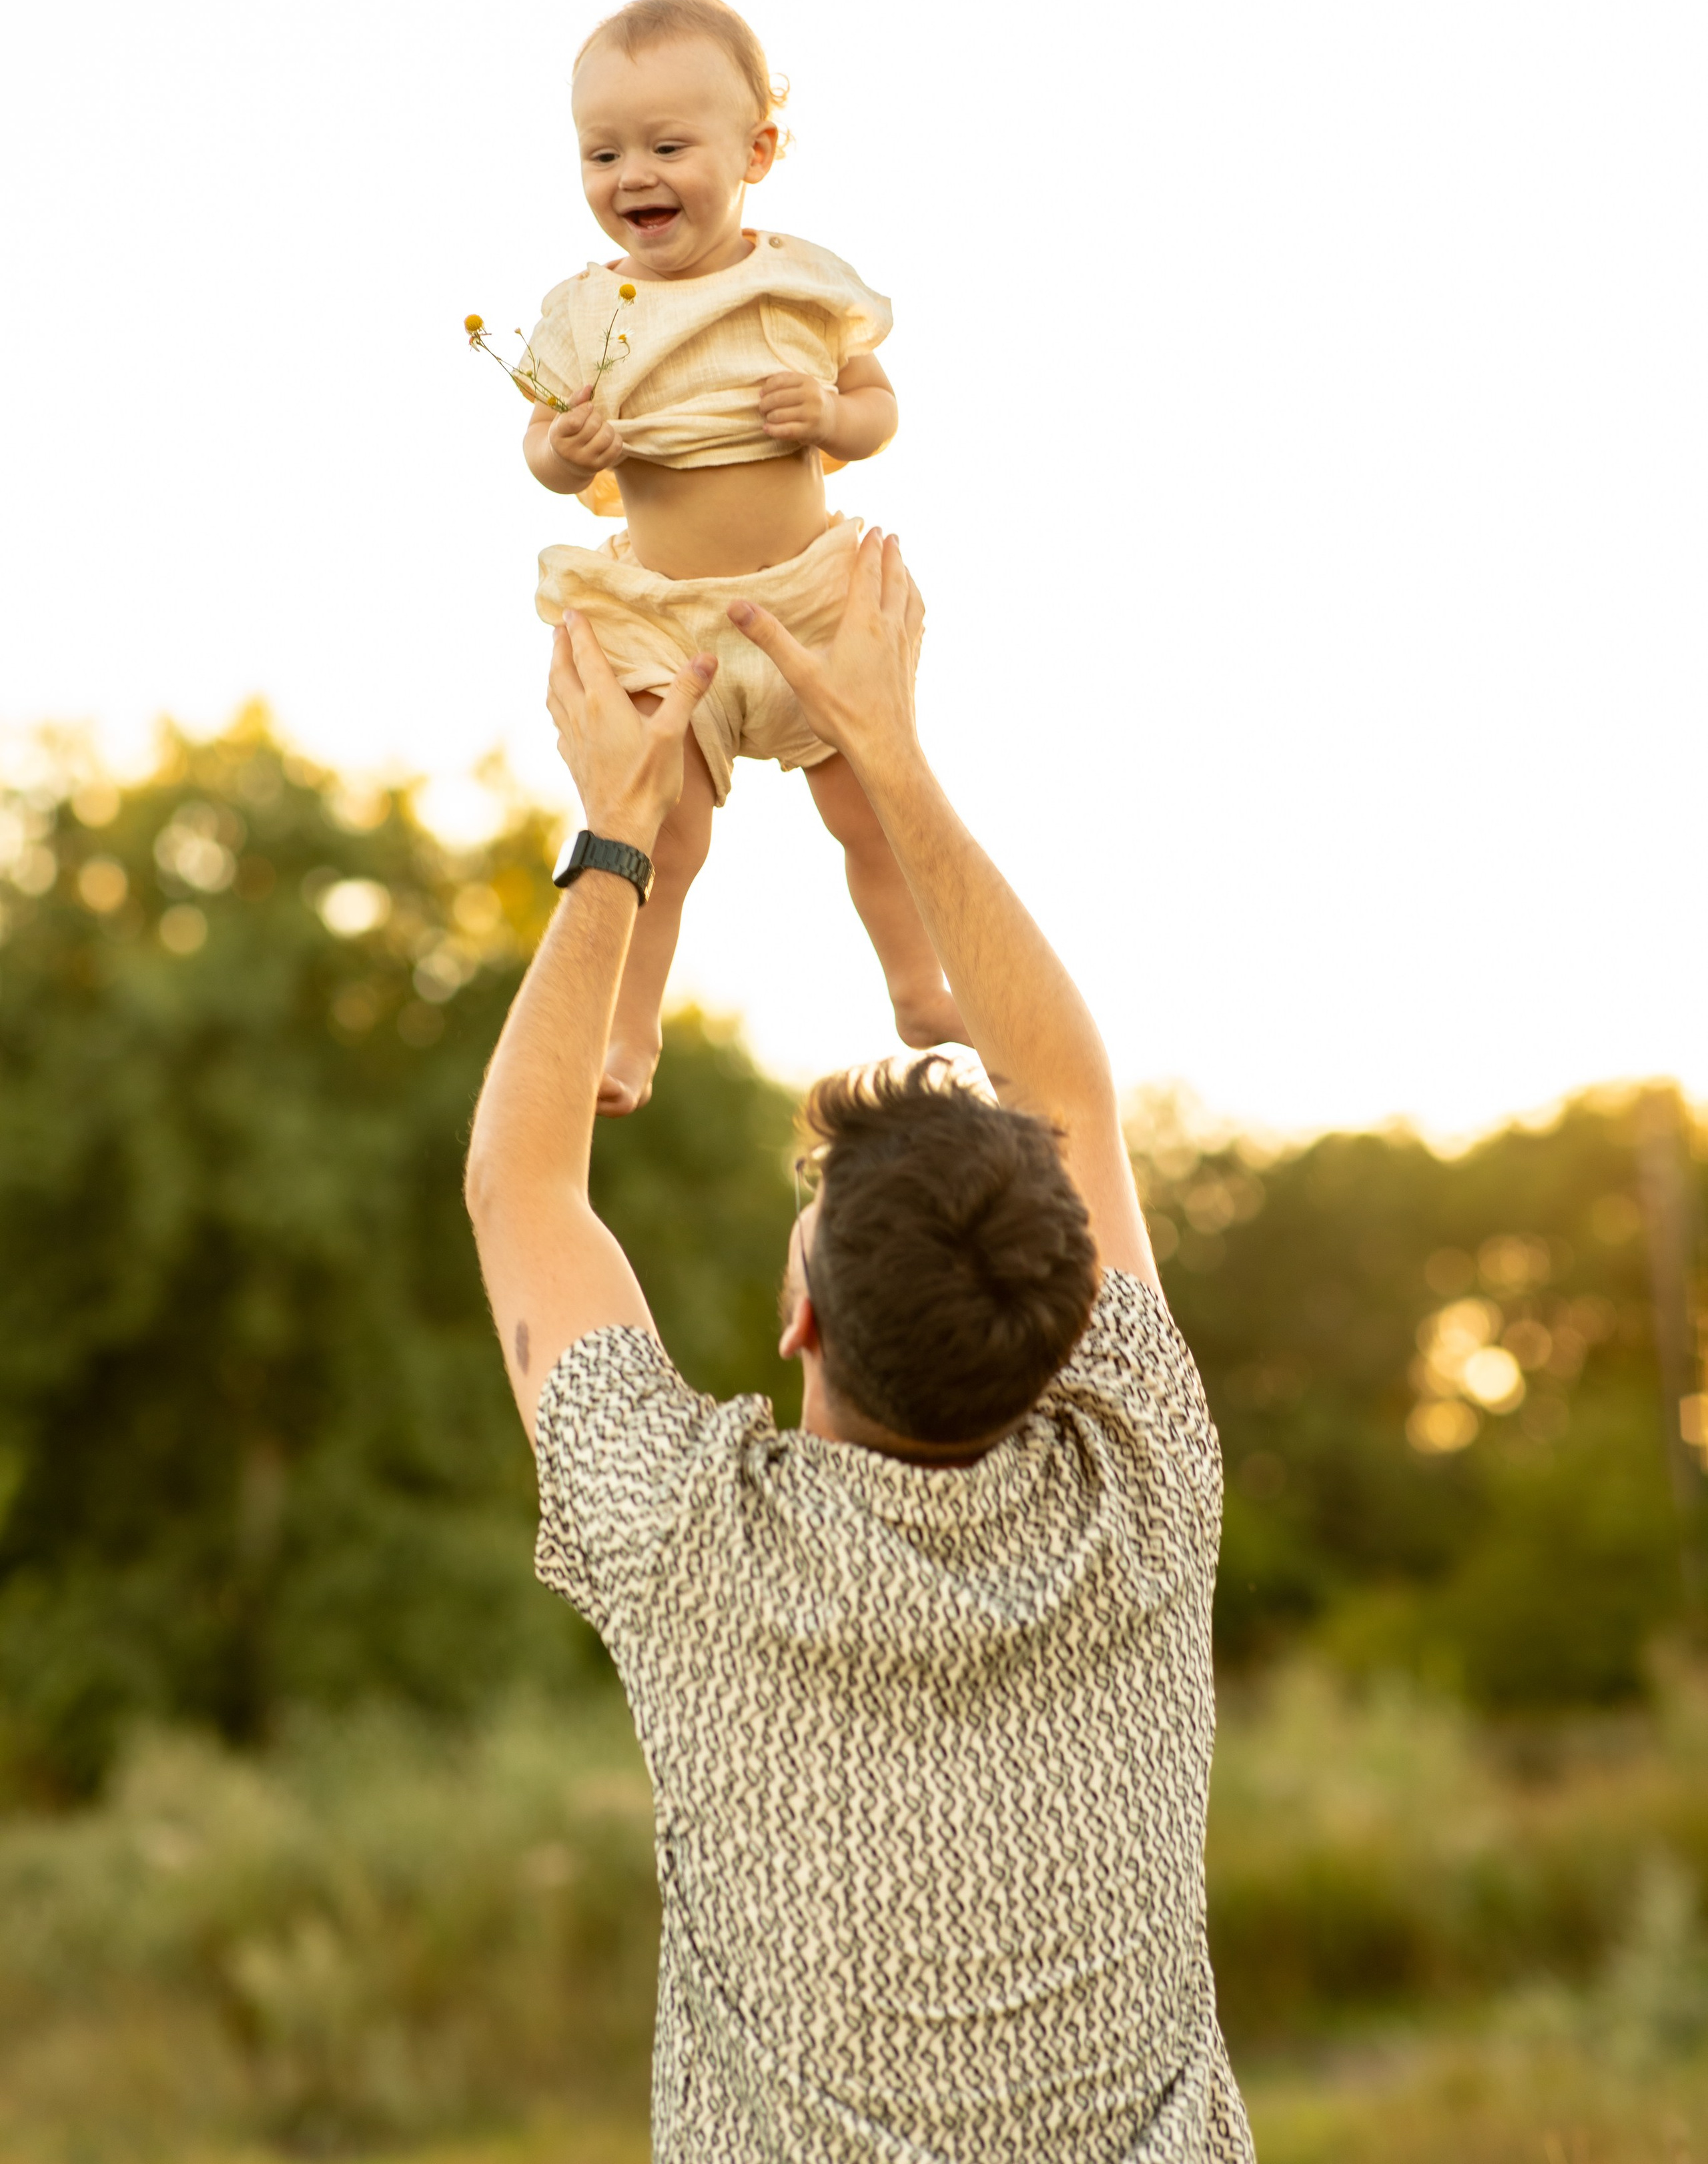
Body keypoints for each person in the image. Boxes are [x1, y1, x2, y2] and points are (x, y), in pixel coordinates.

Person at [464, 528, 1254, 2161]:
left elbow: (519, 1183)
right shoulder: (1147, 1477)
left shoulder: (687, 1544)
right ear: (1069, 1322)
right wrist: (879, 760)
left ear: (800, 1317)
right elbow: (1069, 1090)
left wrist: (626, 824)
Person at [512, 0, 963, 1114]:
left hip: (803, 600)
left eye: (669, 147)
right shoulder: (587, 312)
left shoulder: (801, 284)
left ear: (757, 151)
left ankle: (920, 988)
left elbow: (877, 409)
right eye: (603, 153)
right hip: (668, 620)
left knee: (872, 809)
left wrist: (831, 416)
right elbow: (541, 451)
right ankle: (629, 1034)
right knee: (660, 834)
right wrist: (566, 450)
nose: (633, 175)